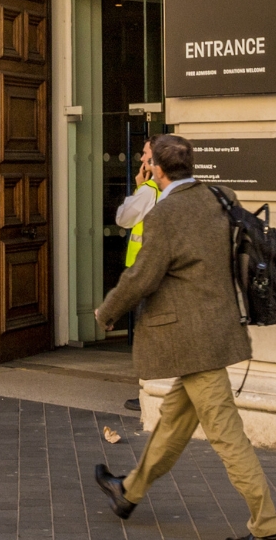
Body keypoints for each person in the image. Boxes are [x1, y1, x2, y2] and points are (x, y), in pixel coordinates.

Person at [90, 134, 276, 540]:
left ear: (158, 171)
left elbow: (141, 277)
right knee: (173, 423)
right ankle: (128, 492)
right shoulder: (219, 196)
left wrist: (107, 312)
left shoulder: (165, 216)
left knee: (227, 436)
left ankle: (269, 530)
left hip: (190, 341)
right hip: (217, 329)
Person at [113, 140, 165, 412]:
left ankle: (149, 392)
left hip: (144, 273)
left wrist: (138, 186)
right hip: (157, 273)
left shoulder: (149, 190)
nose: (142, 158)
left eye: (145, 154)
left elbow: (124, 217)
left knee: (147, 336)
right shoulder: (166, 190)